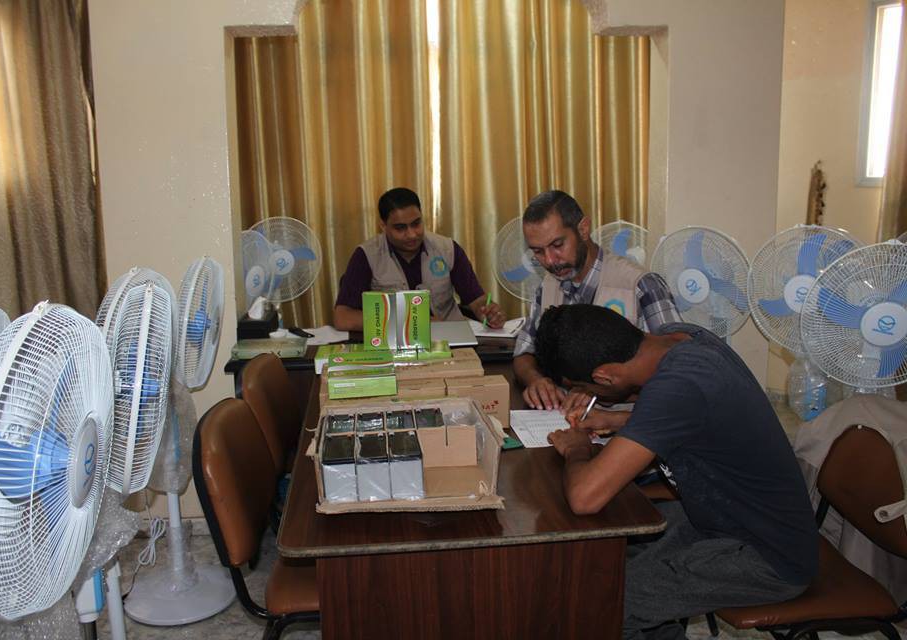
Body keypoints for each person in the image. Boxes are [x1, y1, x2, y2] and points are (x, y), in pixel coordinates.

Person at [535, 304, 818, 640]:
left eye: (588, 389)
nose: (590, 397)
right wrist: (619, 420)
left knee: (597, 605)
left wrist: (577, 447)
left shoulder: (680, 384)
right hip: (720, 519)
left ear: (605, 377)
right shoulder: (680, 338)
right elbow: (694, 410)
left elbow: (585, 497)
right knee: (598, 555)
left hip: (766, 556)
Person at [513, 190, 681, 411]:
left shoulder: (641, 285)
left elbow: (680, 369)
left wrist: (601, 393)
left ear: (583, 229)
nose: (550, 261)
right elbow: (524, 352)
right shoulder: (548, 285)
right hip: (563, 417)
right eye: (538, 252)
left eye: (557, 245)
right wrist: (536, 380)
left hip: (630, 420)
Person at [333, 188, 505, 331]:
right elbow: (343, 318)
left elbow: (477, 300)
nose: (411, 234)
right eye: (400, 228)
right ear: (383, 226)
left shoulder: (447, 249)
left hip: (450, 339)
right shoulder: (366, 255)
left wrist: (488, 311)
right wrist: (414, 322)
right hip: (394, 343)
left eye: (416, 224)